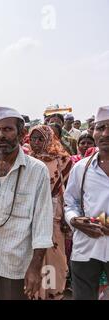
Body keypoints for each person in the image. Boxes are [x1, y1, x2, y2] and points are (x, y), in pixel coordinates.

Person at [0, 106, 54, 300]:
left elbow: (42, 221)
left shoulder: (37, 170)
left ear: (21, 133)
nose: (1, 135)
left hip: (14, 262)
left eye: (7, 129)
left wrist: (35, 267)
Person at [64, 106, 109, 300]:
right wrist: (74, 220)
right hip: (86, 247)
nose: (105, 133)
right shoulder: (81, 167)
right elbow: (70, 203)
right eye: (100, 127)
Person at [29, 125, 73, 300]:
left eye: (40, 139)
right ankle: (35, 292)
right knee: (33, 254)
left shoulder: (63, 160)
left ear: (49, 139)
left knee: (54, 256)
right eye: (33, 139)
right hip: (32, 214)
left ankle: (52, 293)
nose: (36, 143)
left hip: (54, 215)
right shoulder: (27, 159)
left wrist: (66, 217)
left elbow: (69, 191)